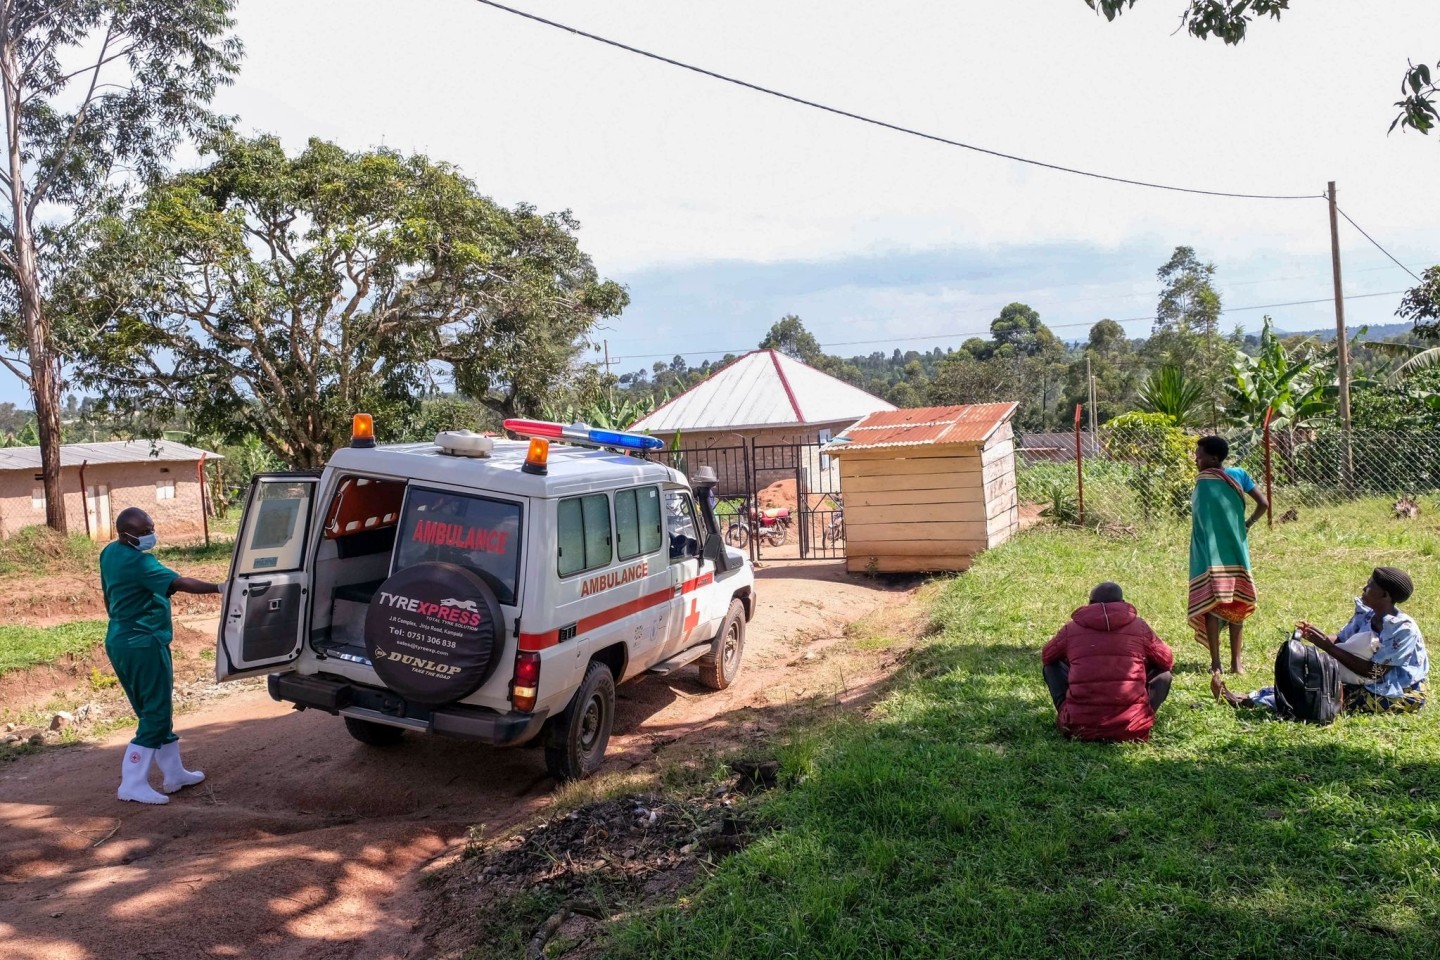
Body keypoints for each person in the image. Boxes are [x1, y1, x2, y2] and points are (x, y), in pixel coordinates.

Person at [101, 508, 222, 804]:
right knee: (154, 714)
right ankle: (132, 782)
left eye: (151, 528)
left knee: (155, 709)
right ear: (126, 534)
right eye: (144, 532)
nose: (150, 535)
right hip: (144, 643)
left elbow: (108, 595)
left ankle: (174, 773)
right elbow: (179, 583)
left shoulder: (110, 552)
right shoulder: (139, 562)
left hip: (121, 638)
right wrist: (221, 587)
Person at [1221, 568, 1428, 714]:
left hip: (1396, 693)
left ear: (1385, 594)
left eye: (1370, 585)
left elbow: (1375, 672)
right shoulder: (1367, 615)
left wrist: (1327, 646)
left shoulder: (1402, 630)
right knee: (1313, 681)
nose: (1364, 587)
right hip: (1365, 681)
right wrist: (1314, 636)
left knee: (1316, 695)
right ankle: (1248, 697)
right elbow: (1342, 640)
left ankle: (1248, 702)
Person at [1041, 582, 1175, 742]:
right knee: (1163, 674)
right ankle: (1142, 719)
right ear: (1123, 603)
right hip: (1131, 729)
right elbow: (1166, 661)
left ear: (1090, 604)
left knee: (1051, 667)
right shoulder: (1139, 627)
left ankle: (1068, 717)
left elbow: (1047, 656)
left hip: (1078, 728)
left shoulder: (1072, 629)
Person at [1188, 435, 1268, 676]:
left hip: (1209, 553)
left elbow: (1201, 520)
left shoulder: (1203, 481)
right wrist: (1248, 524)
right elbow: (1263, 503)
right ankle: (1237, 664)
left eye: (1199, 457)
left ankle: (1216, 663)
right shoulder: (1239, 475)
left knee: (1213, 605)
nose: (1196, 461)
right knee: (1237, 604)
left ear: (1214, 458)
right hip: (1235, 549)